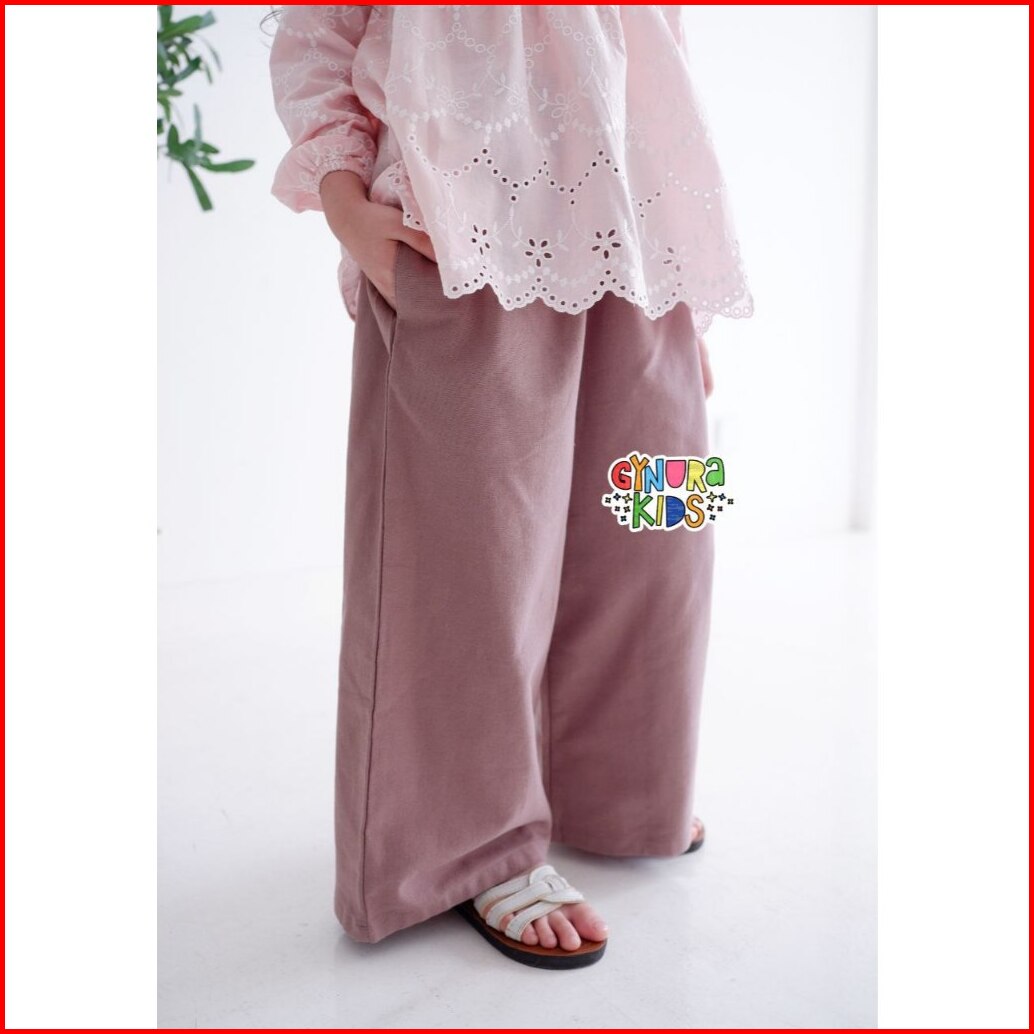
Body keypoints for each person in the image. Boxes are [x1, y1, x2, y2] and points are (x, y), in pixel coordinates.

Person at [267, 4, 753, 969]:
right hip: (466, 222)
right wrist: (345, 202)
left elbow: (654, 46)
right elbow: (319, 26)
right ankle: (472, 846)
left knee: (662, 530)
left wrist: (690, 288)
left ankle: (621, 789)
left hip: (641, 236)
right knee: (474, 562)